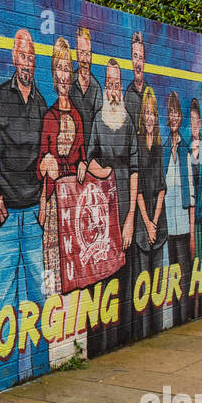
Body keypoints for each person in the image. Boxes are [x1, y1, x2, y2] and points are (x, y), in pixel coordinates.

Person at [0, 27, 49, 389]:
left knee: (38, 297)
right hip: (6, 216)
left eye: (32, 57)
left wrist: (47, 200)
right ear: (13, 57)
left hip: (35, 215)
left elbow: (51, 155)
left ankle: (41, 375)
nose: (27, 62)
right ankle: (2, 384)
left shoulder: (41, 103)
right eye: (22, 56)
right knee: (4, 302)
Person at [83, 61, 139, 356]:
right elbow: (89, 158)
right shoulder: (98, 119)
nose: (114, 90)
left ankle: (121, 341)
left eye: (118, 84)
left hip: (123, 212)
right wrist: (103, 172)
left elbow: (134, 169)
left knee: (123, 277)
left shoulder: (128, 122)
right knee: (101, 276)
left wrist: (130, 217)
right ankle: (99, 344)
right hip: (101, 213)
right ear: (105, 87)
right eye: (110, 84)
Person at [37, 37, 87, 297]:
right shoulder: (49, 116)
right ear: (54, 75)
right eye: (60, 69)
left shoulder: (77, 116)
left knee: (75, 260)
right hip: (55, 202)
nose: (65, 75)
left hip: (74, 202)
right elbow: (41, 164)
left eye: (68, 69)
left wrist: (82, 165)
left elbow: (82, 156)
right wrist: (44, 204)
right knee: (54, 266)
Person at [133, 84, 167, 339]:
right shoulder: (137, 144)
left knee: (158, 283)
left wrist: (155, 222)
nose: (149, 118)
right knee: (143, 281)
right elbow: (140, 190)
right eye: (145, 113)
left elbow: (161, 188)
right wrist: (146, 222)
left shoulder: (159, 146)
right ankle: (144, 334)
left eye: (152, 113)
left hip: (158, 222)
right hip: (142, 224)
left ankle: (158, 330)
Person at [163, 91, 195, 328]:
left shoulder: (186, 150)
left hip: (184, 227)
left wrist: (193, 232)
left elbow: (191, 195)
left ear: (181, 117)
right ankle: (175, 322)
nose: (173, 117)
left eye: (176, 112)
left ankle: (186, 320)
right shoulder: (164, 150)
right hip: (168, 229)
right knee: (172, 279)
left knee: (185, 279)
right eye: (170, 113)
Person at [187, 98, 202, 318]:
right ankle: (195, 311)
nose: (194, 124)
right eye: (191, 120)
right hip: (191, 219)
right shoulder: (188, 149)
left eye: (197, 120)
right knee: (193, 269)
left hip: (201, 218)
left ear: (201, 123)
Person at [70, 27, 101, 142]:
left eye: (88, 54)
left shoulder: (96, 87)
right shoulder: (69, 83)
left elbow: (98, 127)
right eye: (82, 53)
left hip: (89, 153)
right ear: (76, 53)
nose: (85, 59)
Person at [125, 31, 148, 136]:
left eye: (140, 57)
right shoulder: (128, 95)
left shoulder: (149, 93)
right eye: (135, 56)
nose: (138, 63)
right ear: (131, 60)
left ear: (144, 62)